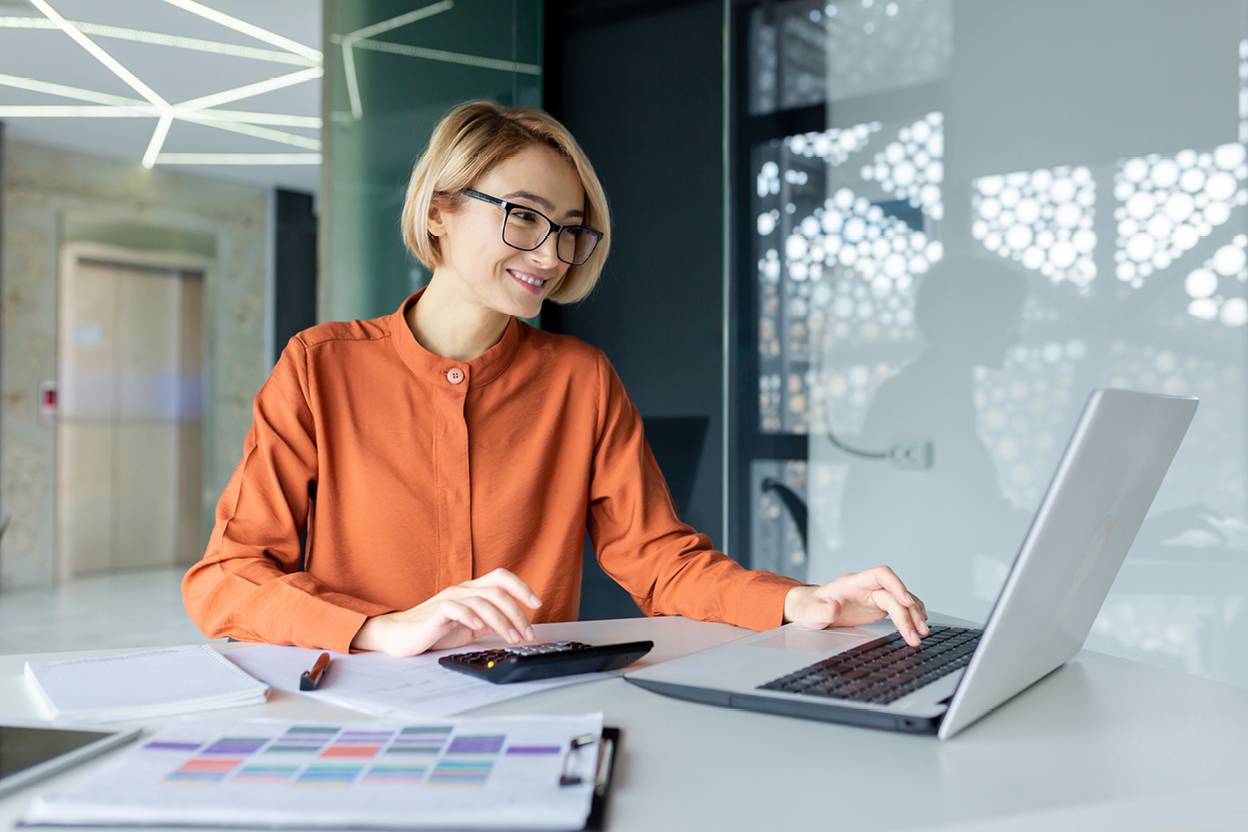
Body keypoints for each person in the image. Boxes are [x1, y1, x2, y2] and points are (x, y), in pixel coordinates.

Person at [182, 100, 928, 658]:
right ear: (439, 211)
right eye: (524, 216)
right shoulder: (321, 367)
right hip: (360, 708)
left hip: (525, 709)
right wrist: (381, 629)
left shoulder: (581, 381)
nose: (551, 252)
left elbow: (662, 562)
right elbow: (226, 577)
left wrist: (800, 601)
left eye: (569, 227)